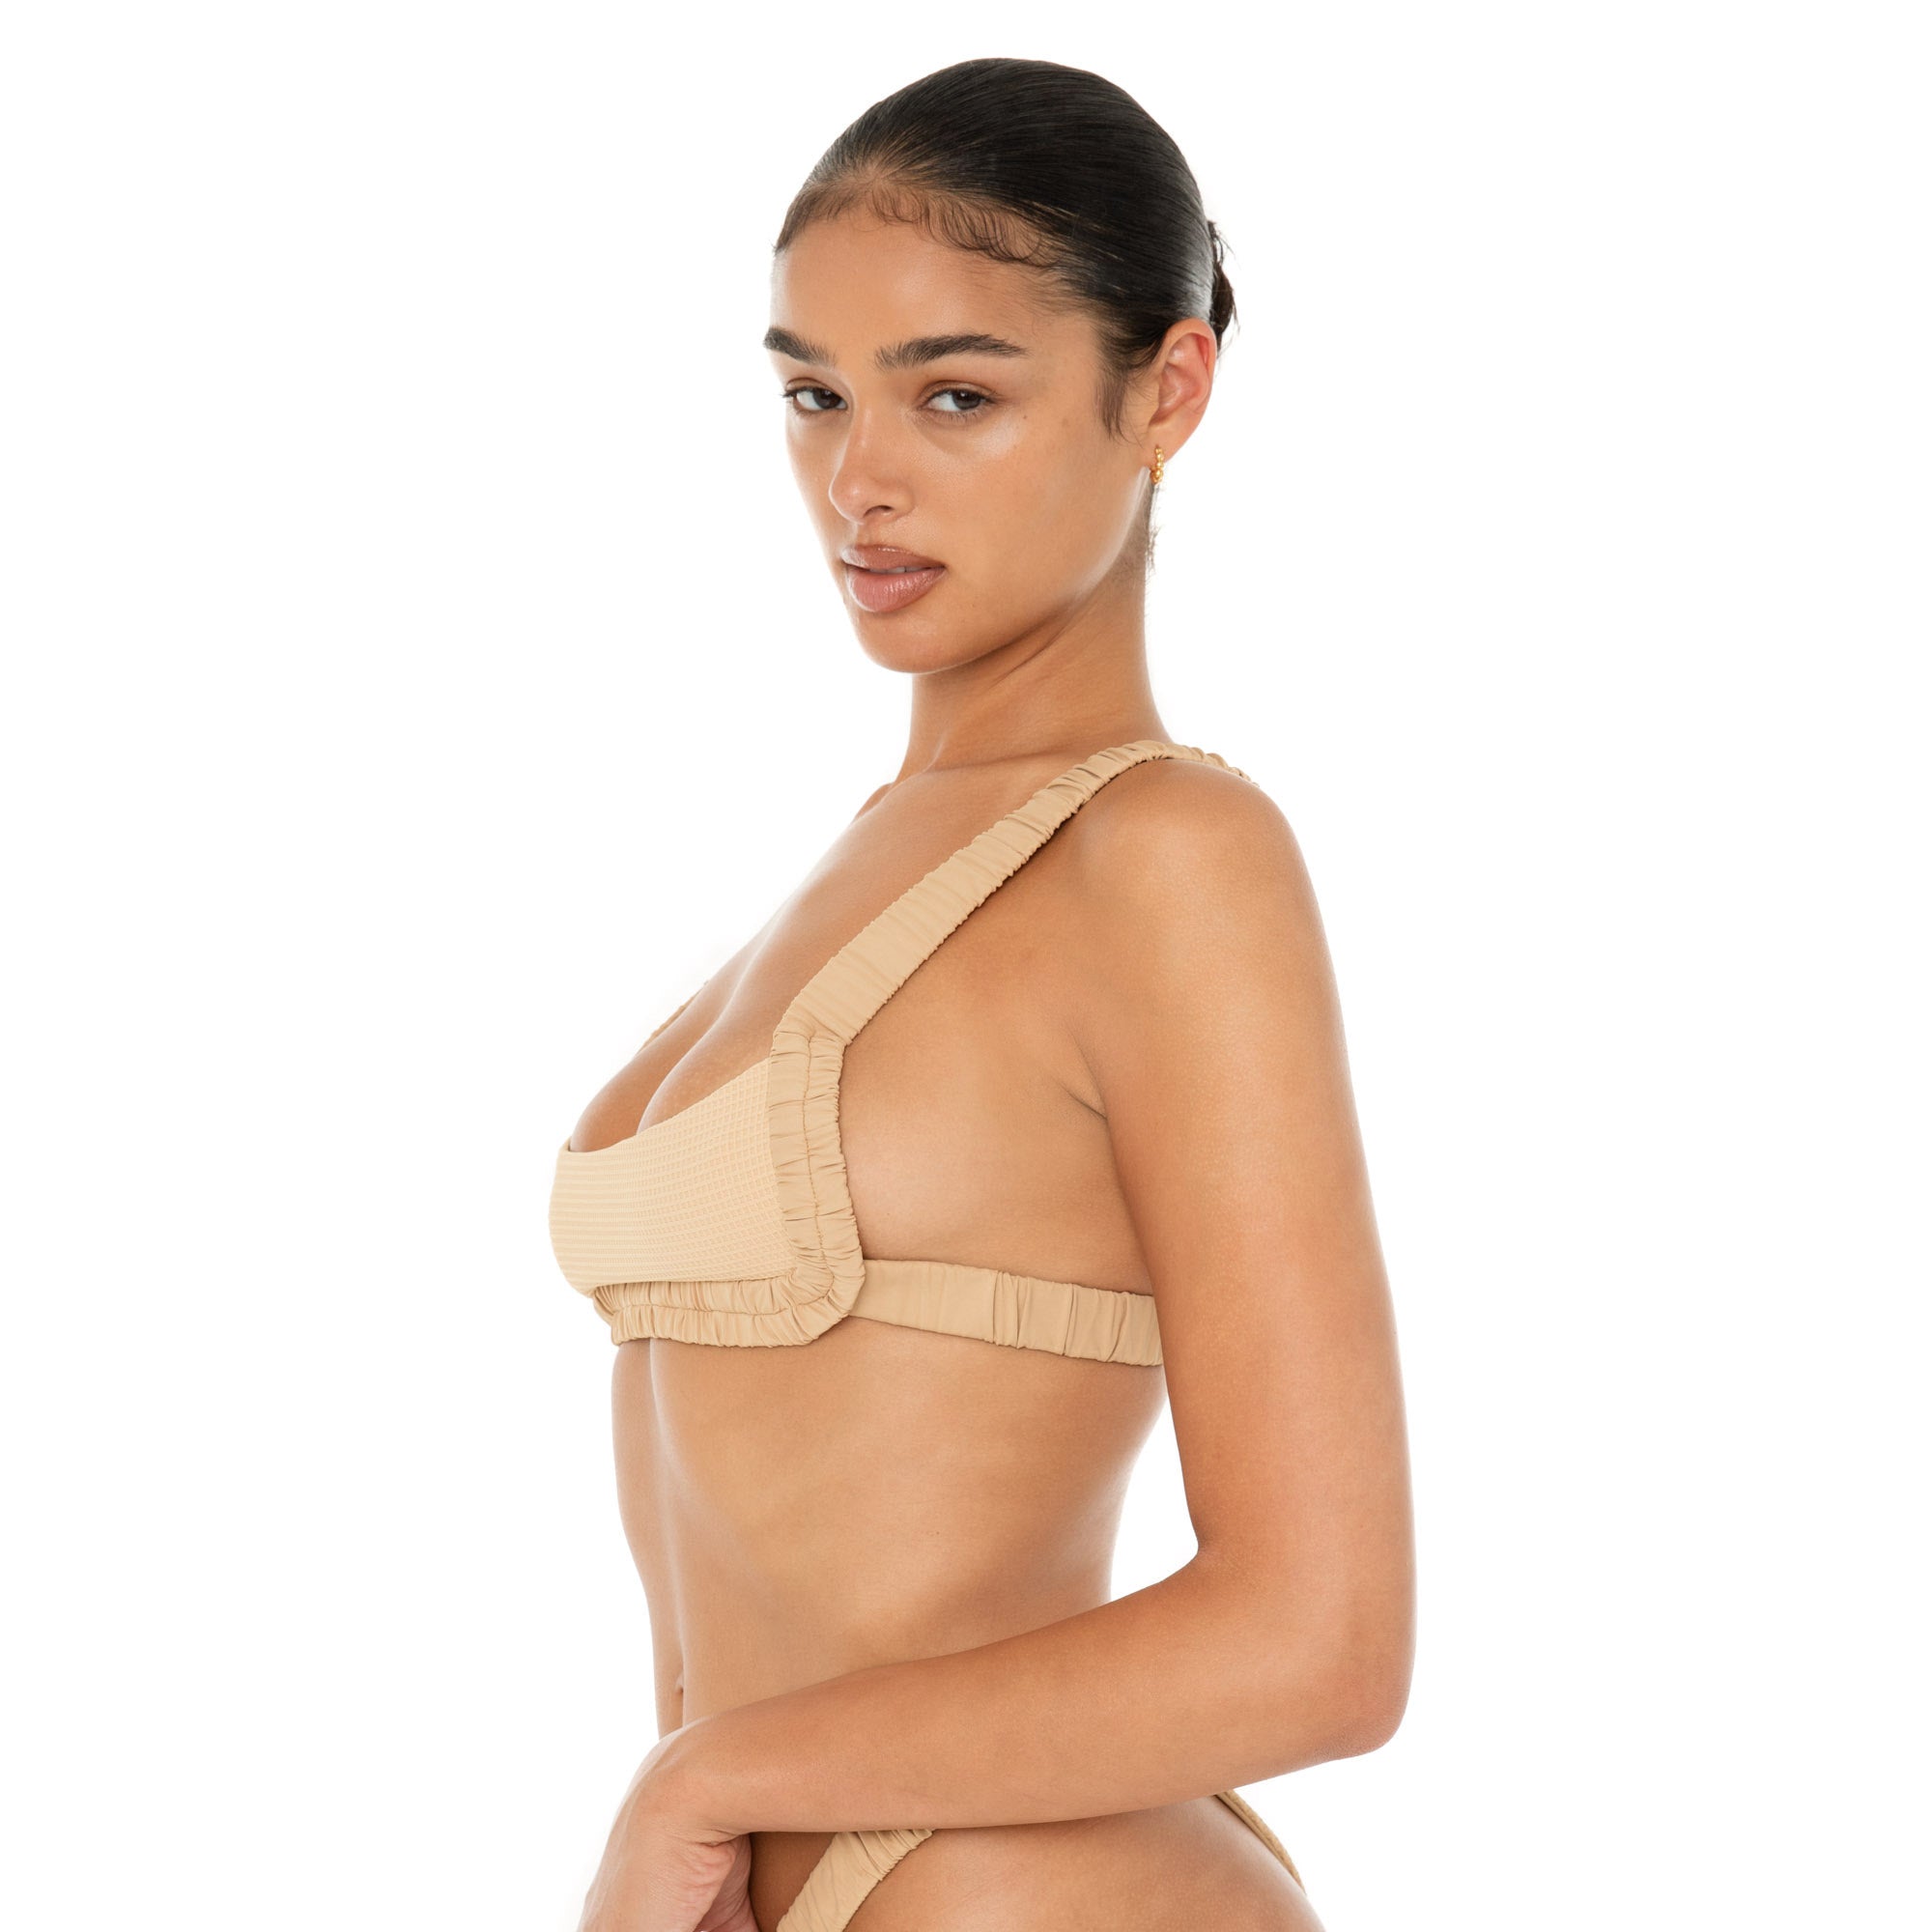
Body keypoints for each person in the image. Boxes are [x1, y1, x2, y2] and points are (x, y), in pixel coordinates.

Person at [549, 55, 1414, 1932]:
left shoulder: (1166, 856)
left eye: (955, 395)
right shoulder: (875, 857)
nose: (858, 480)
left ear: (1166, 389)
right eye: (814, 394)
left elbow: (1324, 1636)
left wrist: (704, 1782)